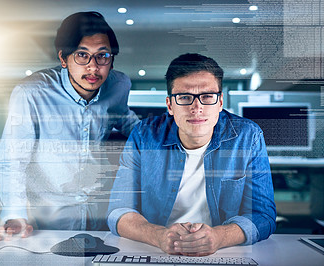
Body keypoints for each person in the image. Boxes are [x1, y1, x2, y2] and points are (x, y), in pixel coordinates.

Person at [0, 11, 139, 240]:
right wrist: (14, 214)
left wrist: (167, 131)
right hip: (50, 215)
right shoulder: (32, 93)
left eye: (102, 56)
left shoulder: (119, 84)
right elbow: (12, 162)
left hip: (101, 209)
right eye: (82, 55)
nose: (93, 67)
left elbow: (123, 118)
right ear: (64, 58)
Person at [107, 53, 276, 256]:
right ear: (170, 105)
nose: (197, 108)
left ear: (220, 102)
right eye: (185, 97)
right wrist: (159, 235)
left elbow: (263, 215)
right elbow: (118, 212)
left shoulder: (248, 137)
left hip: (224, 253)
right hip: (156, 251)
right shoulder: (143, 136)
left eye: (207, 97)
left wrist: (219, 237)